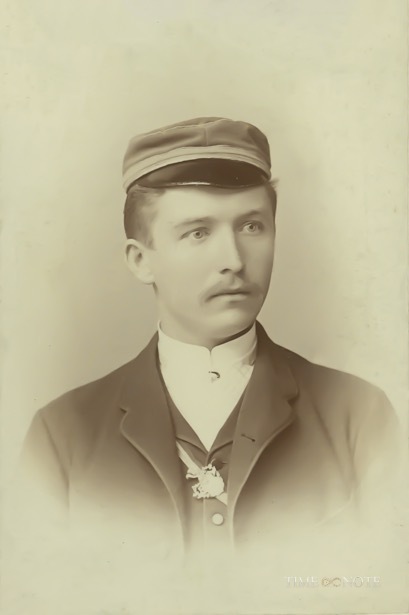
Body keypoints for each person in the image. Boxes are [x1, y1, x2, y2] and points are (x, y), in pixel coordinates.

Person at [14, 117, 405, 613]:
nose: (234, 260)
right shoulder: (62, 436)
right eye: (198, 233)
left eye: (252, 226)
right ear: (140, 259)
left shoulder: (358, 417)